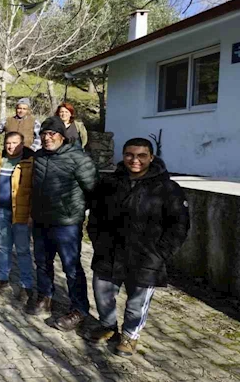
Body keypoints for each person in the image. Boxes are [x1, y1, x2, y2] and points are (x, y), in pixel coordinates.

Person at [85, 138, 189, 357]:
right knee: (102, 294)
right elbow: (95, 214)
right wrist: (97, 240)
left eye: (142, 155)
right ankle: (108, 327)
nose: (135, 160)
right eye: (129, 154)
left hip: (145, 257)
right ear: (123, 156)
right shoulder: (109, 183)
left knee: (136, 303)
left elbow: (179, 225)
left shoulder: (167, 188)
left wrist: (160, 254)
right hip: (109, 252)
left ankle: (130, 336)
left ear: (151, 157)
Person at [26, 117, 98, 332]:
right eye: (44, 134)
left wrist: (77, 211)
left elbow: (94, 190)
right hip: (41, 221)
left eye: (52, 134)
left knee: (72, 268)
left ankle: (79, 310)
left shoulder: (79, 159)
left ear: (62, 136)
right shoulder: (39, 157)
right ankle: (45, 296)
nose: (47, 138)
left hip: (66, 224)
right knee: (42, 263)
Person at [0, 133, 35, 302]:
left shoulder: (30, 162)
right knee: (2, 247)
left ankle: (26, 285)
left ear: (22, 144)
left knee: (22, 250)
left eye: (15, 143)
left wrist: (31, 214)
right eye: (8, 143)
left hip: (21, 214)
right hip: (1, 212)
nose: (11, 146)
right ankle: (2, 278)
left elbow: (35, 190)